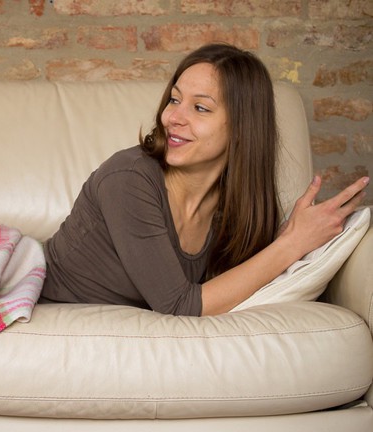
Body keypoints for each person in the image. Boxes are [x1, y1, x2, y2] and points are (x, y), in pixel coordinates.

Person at [39, 43, 369, 316]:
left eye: (200, 108)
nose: (173, 118)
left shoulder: (234, 204)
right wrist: (292, 243)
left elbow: (231, 285)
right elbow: (178, 305)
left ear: (242, 128)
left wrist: (286, 238)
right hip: (49, 308)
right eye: (175, 99)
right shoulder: (128, 178)